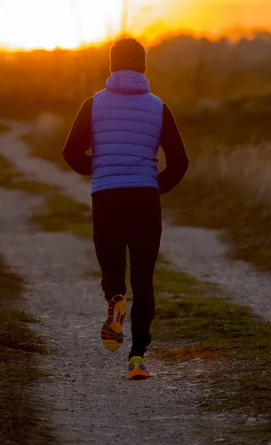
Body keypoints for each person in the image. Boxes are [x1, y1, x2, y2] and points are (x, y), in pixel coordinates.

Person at [62, 37, 189, 380]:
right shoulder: (159, 106)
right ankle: (137, 357)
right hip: (144, 199)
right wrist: (151, 184)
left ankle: (116, 298)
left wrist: (103, 167)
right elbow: (179, 162)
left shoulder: (93, 104)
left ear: (111, 66)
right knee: (144, 278)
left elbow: (70, 153)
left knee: (112, 268)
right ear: (144, 67)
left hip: (107, 197)